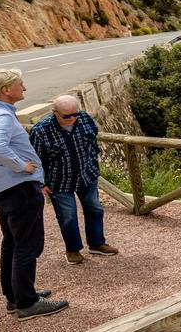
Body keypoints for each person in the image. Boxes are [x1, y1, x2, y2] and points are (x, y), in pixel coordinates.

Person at [0, 69, 68, 320]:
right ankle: (27, 303)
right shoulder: (3, 117)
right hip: (18, 187)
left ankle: (15, 295)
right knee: (27, 245)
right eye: (18, 84)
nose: (24, 87)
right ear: (5, 90)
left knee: (11, 242)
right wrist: (22, 166)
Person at [30, 95, 117, 265]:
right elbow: (35, 159)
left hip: (87, 175)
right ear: (54, 113)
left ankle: (97, 243)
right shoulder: (41, 130)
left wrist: (93, 163)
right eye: (66, 116)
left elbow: (93, 139)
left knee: (95, 209)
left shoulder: (84, 118)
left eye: (74, 114)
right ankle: (73, 250)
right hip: (59, 182)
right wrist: (40, 183)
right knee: (67, 216)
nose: (72, 119)